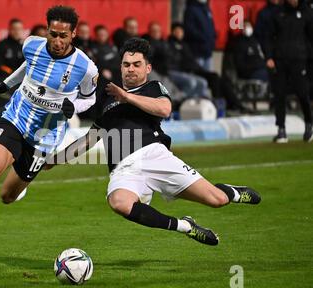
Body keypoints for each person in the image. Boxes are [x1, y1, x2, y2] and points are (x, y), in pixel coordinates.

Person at [46, 38, 261, 246]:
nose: (130, 69)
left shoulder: (153, 88)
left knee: (217, 200)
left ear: (147, 68)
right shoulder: (109, 101)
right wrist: (55, 160)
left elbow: (165, 109)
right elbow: (88, 140)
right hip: (123, 168)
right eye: (126, 64)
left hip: (154, 156)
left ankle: (229, 192)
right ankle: (185, 226)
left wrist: (128, 97)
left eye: (136, 65)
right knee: (119, 203)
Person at [0, 5, 99, 266]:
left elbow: (90, 98)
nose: (57, 41)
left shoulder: (85, 67)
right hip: (16, 117)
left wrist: (73, 107)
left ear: (73, 34)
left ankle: (21, 187)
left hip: (46, 135)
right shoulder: (31, 44)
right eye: (52, 34)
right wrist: (4, 85)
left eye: (63, 36)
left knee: (7, 197)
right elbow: (27, 67)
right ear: (47, 30)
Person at [264, 0, 313, 143]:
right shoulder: (277, 13)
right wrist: (268, 56)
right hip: (279, 60)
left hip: (299, 60)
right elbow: (268, 37)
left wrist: (308, 56)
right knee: (279, 94)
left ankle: (309, 124)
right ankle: (281, 130)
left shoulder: (307, 13)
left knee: (303, 93)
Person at [183, 0, 217, 71]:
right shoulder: (190, 9)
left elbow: (211, 26)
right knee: (200, 75)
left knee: (210, 75)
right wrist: (203, 38)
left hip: (208, 51)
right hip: (197, 51)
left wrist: (213, 39)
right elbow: (189, 29)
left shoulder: (206, 9)